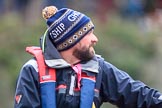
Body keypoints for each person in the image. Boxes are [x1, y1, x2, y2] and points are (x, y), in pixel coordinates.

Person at [14, 6, 162, 108]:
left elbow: (139, 96)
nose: (95, 39)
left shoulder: (98, 68)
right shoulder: (33, 71)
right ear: (71, 40)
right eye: (88, 34)